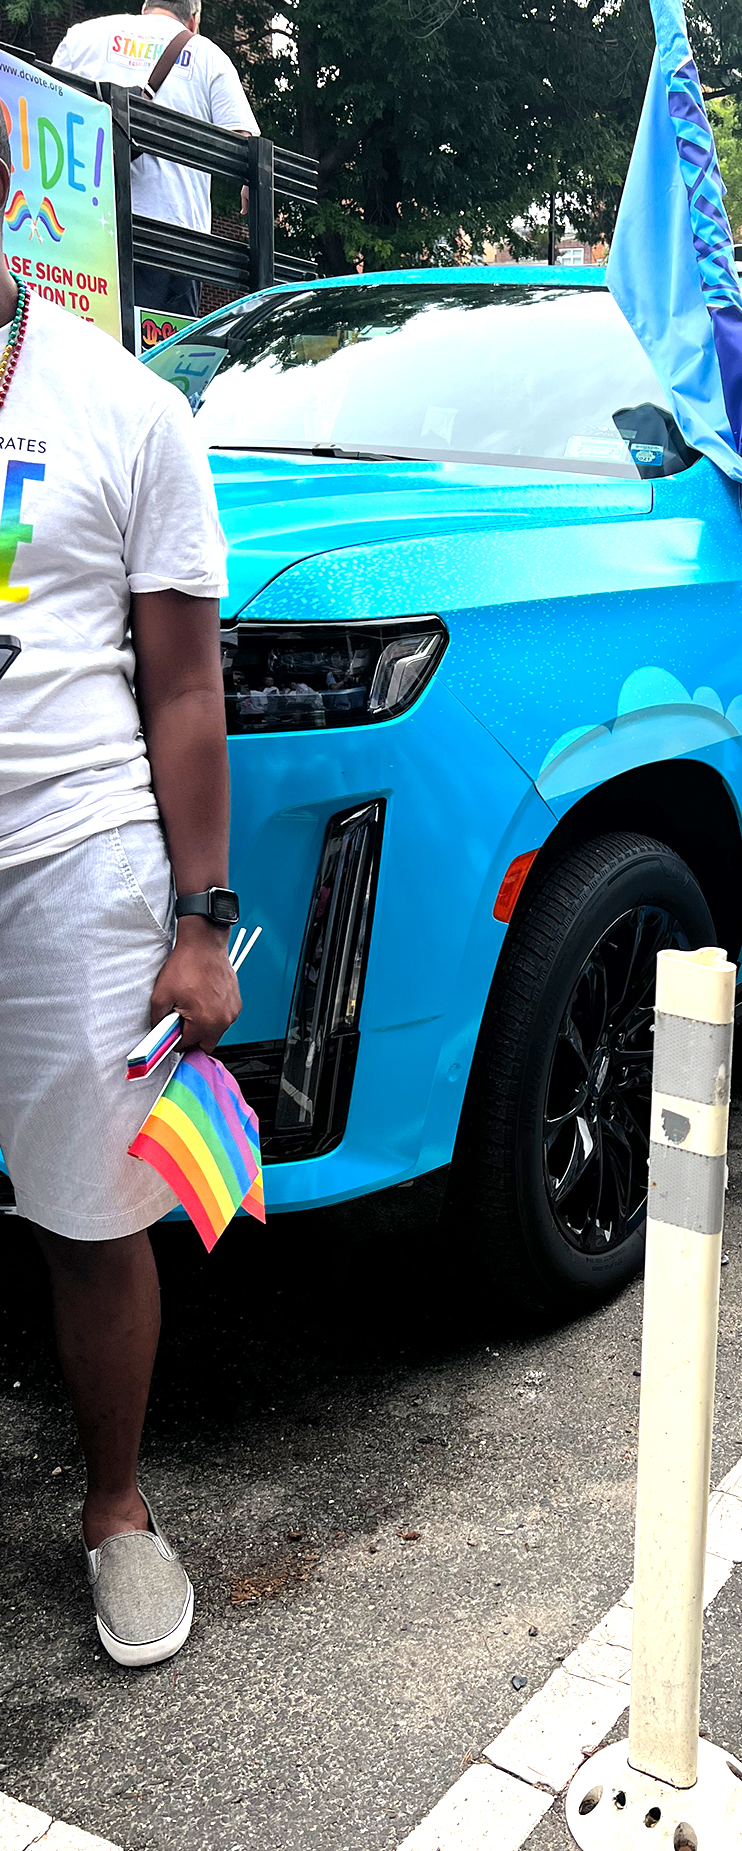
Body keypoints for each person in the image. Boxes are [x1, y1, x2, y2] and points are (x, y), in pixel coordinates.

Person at [0, 122, 240, 1665]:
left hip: (71, 862)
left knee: (93, 1216)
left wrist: (203, 922)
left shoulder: (125, 406)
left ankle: (115, 1512)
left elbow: (183, 685)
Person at [53, 0, 259, 320]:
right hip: (173, 243)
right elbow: (247, 148)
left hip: (82, 234)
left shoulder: (83, 38)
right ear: (194, 19)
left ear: (145, 7)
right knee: (161, 363)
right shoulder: (205, 54)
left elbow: (45, 107)